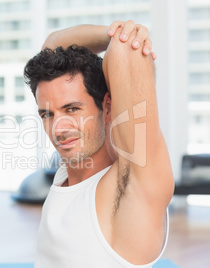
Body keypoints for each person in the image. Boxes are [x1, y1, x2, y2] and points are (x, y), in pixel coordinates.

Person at [24, 20, 174, 267]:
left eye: (72, 109)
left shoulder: (130, 186)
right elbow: (53, 46)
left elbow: (126, 51)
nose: (58, 128)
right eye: (47, 114)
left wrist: (121, 36)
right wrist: (107, 35)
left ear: (107, 107)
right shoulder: (69, 169)